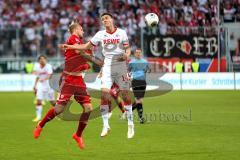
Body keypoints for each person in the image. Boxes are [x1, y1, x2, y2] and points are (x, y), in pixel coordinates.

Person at [60, 12, 135, 139]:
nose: (104, 20)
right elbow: (85, 46)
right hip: (107, 66)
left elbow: (128, 49)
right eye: (103, 19)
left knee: (126, 95)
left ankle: (130, 124)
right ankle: (106, 125)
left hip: (120, 66)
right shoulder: (100, 34)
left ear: (112, 19)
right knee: (104, 94)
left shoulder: (121, 32)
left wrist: (127, 55)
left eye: (106, 18)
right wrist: (69, 46)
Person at [33, 22, 93, 150]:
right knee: (59, 109)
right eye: (81, 29)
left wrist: (87, 60)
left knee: (88, 109)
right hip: (69, 79)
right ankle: (40, 125)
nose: (83, 31)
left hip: (79, 80)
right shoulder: (73, 38)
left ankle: (78, 135)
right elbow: (79, 50)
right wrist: (90, 45)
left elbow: (82, 56)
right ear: (76, 29)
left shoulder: (78, 42)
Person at [128, 49, 150, 124]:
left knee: (140, 101)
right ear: (134, 54)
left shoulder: (145, 61)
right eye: (137, 52)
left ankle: (127, 111)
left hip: (143, 82)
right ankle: (141, 118)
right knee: (138, 100)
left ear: (141, 53)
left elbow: (148, 70)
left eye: (139, 52)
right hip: (135, 82)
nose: (138, 54)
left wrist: (147, 70)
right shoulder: (131, 62)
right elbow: (128, 71)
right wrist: (129, 78)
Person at [32, 55, 56, 122]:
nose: (42, 60)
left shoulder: (48, 66)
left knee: (53, 102)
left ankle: (59, 113)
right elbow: (37, 77)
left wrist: (44, 79)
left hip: (49, 86)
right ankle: (38, 117)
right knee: (38, 100)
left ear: (45, 60)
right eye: (41, 59)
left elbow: (50, 75)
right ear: (39, 60)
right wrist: (35, 85)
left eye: (43, 59)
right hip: (41, 86)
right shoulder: (37, 67)